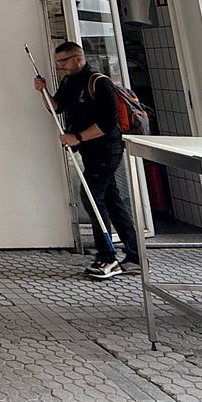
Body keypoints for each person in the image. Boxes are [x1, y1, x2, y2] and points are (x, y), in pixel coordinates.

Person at [34, 40, 140, 280]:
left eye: (63, 61)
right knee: (111, 199)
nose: (60, 66)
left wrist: (76, 137)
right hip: (89, 150)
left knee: (91, 196)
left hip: (107, 148)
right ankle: (134, 257)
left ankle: (107, 257)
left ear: (78, 59)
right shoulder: (69, 82)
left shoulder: (99, 82)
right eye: (58, 62)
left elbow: (108, 122)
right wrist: (43, 91)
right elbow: (56, 107)